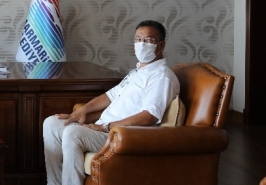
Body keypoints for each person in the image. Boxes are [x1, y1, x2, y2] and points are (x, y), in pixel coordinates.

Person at [42, 20, 180, 185]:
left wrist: (107, 127)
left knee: (73, 133)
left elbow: (149, 116)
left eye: (149, 40)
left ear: (161, 45)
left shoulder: (161, 76)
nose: (142, 45)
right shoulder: (137, 72)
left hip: (122, 134)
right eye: (138, 39)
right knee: (52, 123)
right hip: (104, 128)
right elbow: (109, 96)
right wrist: (81, 112)